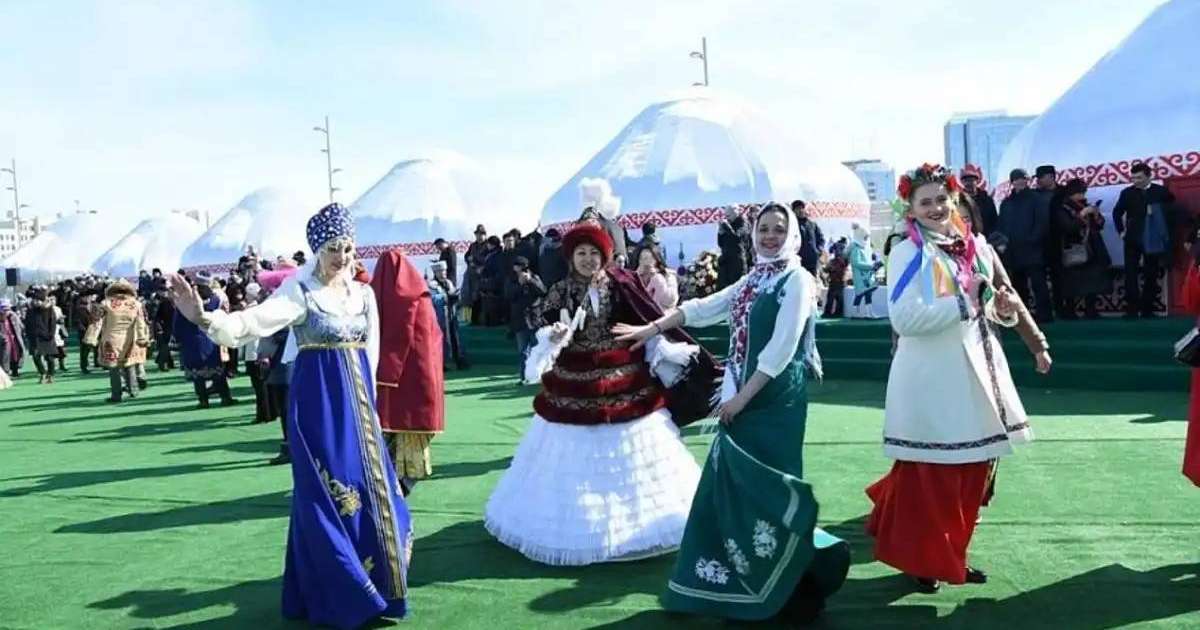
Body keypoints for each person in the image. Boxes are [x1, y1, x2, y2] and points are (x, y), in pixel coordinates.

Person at [167, 202, 412, 628]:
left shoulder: (363, 295)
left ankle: (380, 587)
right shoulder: (300, 292)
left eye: (347, 247)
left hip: (359, 411)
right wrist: (204, 318)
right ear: (317, 250)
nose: (341, 256)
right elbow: (252, 323)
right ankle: (347, 596)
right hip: (319, 409)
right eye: (332, 248)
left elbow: (369, 355)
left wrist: (372, 410)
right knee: (328, 494)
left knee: (375, 490)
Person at [616, 202, 850, 624]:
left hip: (774, 400)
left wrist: (741, 399)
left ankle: (788, 584)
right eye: (764, 229)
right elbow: (705, 307)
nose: (770, 236)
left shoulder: (796, 279)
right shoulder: (755, 278)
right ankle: (736, 581)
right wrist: (651, 328)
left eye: (779, 229)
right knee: (730, 487)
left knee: (769, 488)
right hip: (740, 394)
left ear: (792, 235)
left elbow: (782, 348)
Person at [485, 220, 720, 566]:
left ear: (604, 255)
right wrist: (555, 332)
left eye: (593, 253)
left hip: (622, 373)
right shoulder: (561, 288)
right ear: (571, 257)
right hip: (573, 377)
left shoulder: (620, 283)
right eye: (581, 253)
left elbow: (644, 312)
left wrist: (643, 335)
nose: (587, 259)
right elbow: (536, 316)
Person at [867, 164, 1033, 593]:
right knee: (934, 477)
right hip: (932, 381)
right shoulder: (908, 252)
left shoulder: (972, 246)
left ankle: (953, 555)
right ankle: (925, 560)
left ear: (955, 199)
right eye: (925, 202)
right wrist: (965, 305)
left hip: (976, 375)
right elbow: (904, 318)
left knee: (973, 475)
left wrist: (1002, 310)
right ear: (911, 208)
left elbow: (985, 307)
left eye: (942, 199)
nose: (936, 208)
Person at [370, 249, 446, 496]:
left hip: (399, 377)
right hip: (425, 374)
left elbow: (394, 337)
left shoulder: (391, 303)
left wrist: (385, 369)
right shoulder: (422, 296)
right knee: (413, 427)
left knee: (394, 427)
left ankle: (395, 481)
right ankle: (404, 479)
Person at [1114, 162, 1178, 318]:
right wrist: (1121, 231)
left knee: (1151, 272)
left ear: (1149, 176)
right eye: (1133, 178)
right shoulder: (1127, 193)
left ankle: (1147, 309)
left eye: (1139, 177)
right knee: (1130, 273)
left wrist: (1158, 209)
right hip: (1132, 238)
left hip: (1152, 238)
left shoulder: (1161, 191)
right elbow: (1117, 212)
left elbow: (1173, 209)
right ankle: (1131, 309)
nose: (1136, 181)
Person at [173, 273, 236, 408]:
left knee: (199, 374)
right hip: (210, 337)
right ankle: (224, 397)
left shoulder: (187, 302)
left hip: (193, 339)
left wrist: (178, 338)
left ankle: (204, 400)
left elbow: (178, 322)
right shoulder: (214, 299)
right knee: (216, 370)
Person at [998, 168, 1053, 322]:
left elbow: (1042, 222)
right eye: (1016, 179)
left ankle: (1045, 316)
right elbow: (1001, 225)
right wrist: (1002, 243)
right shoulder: (1006, 203)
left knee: (1038, 283)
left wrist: (1032, 239)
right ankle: (1023, 316)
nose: (1019, 182)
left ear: (1027, 180)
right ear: (1012, 182)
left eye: (1022, 178)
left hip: (1033, 249)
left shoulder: (1036, 199)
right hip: (1013, 251)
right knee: (1018, 286)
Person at [1054, 178, 1112, 319]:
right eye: (1079, 193)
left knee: (1092, 279)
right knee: (1071, 281)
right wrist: (1082, 215)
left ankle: (1091, 310)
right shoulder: (1063, 209)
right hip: (1074, 247)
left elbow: (1099, 225)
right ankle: (1070, 311)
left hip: (1092, 248)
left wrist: (1096, 215)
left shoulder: (1086, 205)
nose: (1082, 196)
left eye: (1083, 193)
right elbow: (1068, 227)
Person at [97, 280, 151, 403]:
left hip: (111, 339)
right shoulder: (136, 304)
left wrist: (93, 337)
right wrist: (142, 338)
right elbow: (141, 323)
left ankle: (116, 394)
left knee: (114, 368)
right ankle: (133, 390)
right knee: (129, 364)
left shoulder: (106, 303)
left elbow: (97, 321)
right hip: (129, 339)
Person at [505, 255, 546, 380]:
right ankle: (524, 376)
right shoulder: (511, 280)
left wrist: (530, 281)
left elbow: (543, 291)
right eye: (516, 266)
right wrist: (519, 284)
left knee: (536, 349)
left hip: (534, 318)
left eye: (520, 266)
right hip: (519, 318)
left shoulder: (534, 277)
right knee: (523, 351)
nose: (518, 269)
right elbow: (508, 295)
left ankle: (537, 375)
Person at [428, 261, 468, 369]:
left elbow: (454, 294)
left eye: (444, 271)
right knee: (442, 340)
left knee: (456, 337)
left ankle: (459, 359)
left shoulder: (449, 283)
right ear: (436, 273)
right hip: (440, 317)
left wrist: (456, 297)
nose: (443, 273)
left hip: (451, 315)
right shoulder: (432, 285)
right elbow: (432, 299)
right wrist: (446, 297)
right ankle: (442, 363)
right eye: (440, 271)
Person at [847, 222, 882, 318]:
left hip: (864, 277)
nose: (866, 239)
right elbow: (856, 263)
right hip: (861, 277)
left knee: (866, 294)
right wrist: (871, 266)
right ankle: (857, 313)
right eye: (865, 237)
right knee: (860, 294)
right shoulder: (856, 250)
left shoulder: (860, 249)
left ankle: (867, 312)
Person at [24, 288, 58, 384]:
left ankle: (50, 375)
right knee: (36, 357)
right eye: (35, 300)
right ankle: (42, 373)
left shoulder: (49, 310)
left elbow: (52, 323)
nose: (36, 302)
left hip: (47, 337)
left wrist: (51, 334)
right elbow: (27, 324)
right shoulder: (30, 311)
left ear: (43, 300)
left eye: (38, 300)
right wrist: (28, 335)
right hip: (35, 338)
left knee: (50, 358)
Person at [718, 206, 753, 289]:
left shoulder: (743, 222)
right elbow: (720, 244)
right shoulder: (728, 224)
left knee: (737, 288)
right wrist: (720, 233)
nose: (727, 218)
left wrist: (726, 226)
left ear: (736, 213)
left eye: (728, 216)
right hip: (726, 262)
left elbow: (737, 238)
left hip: (738, 264)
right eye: (725, 216)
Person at [635, 246, 679, 311]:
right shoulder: (635, 277)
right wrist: (637, 277)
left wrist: (658, 280)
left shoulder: (668, 275)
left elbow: (670, 301)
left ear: (656, 260)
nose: (645, 262)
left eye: (649, 258)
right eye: (642, 258)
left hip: (664, 315)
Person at [960, 164, 998, 237]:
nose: (968, 183)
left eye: (971, 180)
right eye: (965, 181)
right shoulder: (958, 201)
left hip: (986, 238)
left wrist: (991, 236)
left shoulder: (987, 200)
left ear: (977, 181)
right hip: (967, 239)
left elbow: (994, 221)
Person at [462, 224, 489, 324]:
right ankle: (471, 320)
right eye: (477, 234)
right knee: (469, 298)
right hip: (471, 276)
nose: (479, 236)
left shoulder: (487, 245)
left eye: (481, 234)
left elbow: (488, 260)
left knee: (480, 298)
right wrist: (469, 260)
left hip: (482, 276)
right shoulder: (473, 245)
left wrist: (476, 261)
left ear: (485, 235)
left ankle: (481, 320)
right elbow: (467, 256)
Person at [791, 200, 825, 276]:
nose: (800, 210)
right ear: (793, 211)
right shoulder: (791, 225)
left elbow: (821, 239)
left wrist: (818, 250)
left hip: (812, 261)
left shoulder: (812, 224)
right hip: (798, 261)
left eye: (802, 208)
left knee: (813, 281)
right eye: (797, 209)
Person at [0, 298, 25, 378]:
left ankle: (15, 370)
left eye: (8, 309)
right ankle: (5, 372)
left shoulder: (13, 316)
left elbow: (20, 325)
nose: (6, 311)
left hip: (14, 338)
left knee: (15, 354)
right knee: (5, 356)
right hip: (4, 340)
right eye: (4, 309)